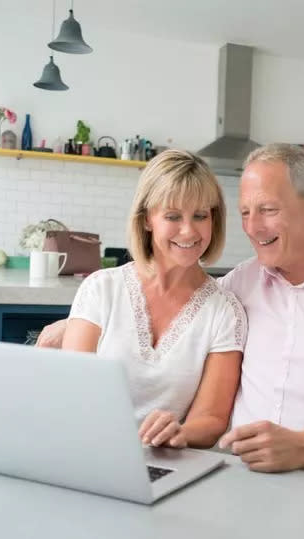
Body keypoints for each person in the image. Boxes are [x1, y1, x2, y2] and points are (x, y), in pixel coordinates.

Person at [39, 144, 304, 495]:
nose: (254, 227)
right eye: (245, 212)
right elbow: (179, 293)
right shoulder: (242, 283)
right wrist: (72, 324)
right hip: (244, 476)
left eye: (268, 210)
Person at [60, 149, 247, 450]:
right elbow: (72, 393)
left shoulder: (225, 312)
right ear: (147, 219)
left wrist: (180, 433)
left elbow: (211, 419)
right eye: (173, 216)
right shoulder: (100, 289)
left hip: (169, 464)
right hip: (90, 451)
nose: (189, 231)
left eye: (200, 215)